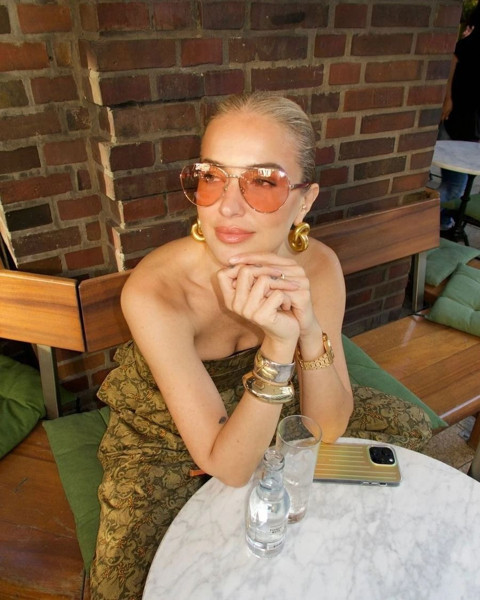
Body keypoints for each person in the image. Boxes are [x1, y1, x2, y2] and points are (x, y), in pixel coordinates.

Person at [89, 91, 432, 599]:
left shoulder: (318, 267)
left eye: (264, 181)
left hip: (280, 407)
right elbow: (229, 465)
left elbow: (329, 424)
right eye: (212, 177)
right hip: (168, 428)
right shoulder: (155, 291)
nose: (227, 206)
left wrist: (307, 330)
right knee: (134, 580)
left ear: (305, 201)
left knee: (402, 437)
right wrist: (275, 346)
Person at [438, 4, 480, 230]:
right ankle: (418, 217)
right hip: (456, 121)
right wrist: (448, 98)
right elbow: (450, 67)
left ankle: (440, 218)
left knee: (457, 186)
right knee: (455, 187)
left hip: (470, 128)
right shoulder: (469, 44)